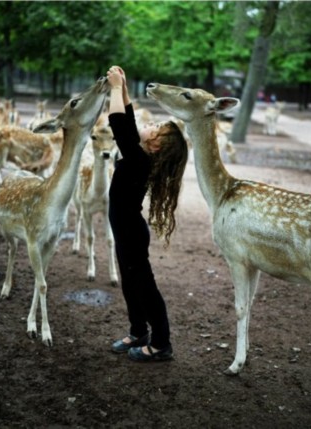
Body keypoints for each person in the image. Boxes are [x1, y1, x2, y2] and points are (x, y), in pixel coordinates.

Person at [106, 65, 188, 362]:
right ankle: (138, 330)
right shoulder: (140, 156)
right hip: (126, 230)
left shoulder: (140, 160)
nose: (151, 126)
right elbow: (127, 123)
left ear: (155, 147)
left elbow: (119, 126)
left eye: (156, 130)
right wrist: (124, 89)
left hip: (130, 231)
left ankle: (161, 343)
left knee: (144, 285)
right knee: (130, 283)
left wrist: (115, 89)